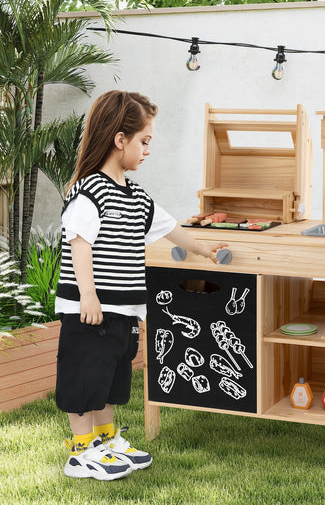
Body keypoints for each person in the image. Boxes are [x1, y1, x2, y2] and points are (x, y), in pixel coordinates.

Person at [55, 90, 226, 480]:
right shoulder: (90, 192)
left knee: (110, 379)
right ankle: (81, 453)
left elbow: (169, 229)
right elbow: (80, 246)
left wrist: (202, 248)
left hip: (124, 310)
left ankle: (105, 440)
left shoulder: (135, 196)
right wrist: (88, 295)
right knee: (84, 377)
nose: (147, 150)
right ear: (120, 140)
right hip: (91, 310)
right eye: (144, 141)